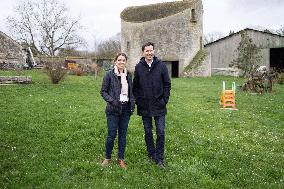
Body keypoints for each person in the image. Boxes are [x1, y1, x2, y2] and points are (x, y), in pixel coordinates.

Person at [133, 42, 171, 169]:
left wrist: (164, 100)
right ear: (143, 52)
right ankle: (151, 154)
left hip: (159, 105)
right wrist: (139, 101)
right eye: (147, 51)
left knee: (160, 132)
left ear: (154, 51)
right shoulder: (138, 67)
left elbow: (167, 84)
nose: (149, 53)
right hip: (145, 106)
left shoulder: (161, 66)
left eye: (151, 50)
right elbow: (135, 87)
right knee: (148, 131)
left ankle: (159, 158)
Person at [100, 53, 135, 168]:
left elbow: (131, 91)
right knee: (111, 134)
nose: (121, 62)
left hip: (126, 109)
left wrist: (132, 104)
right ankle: (107, 157)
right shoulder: (109, 75)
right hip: (113, 109)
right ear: (115, 61)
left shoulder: (128, 75)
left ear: (126, 62)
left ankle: (121, 159)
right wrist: (112, 101)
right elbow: (103, 92)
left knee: (123, 135)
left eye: (123, 60)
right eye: (119, 60)